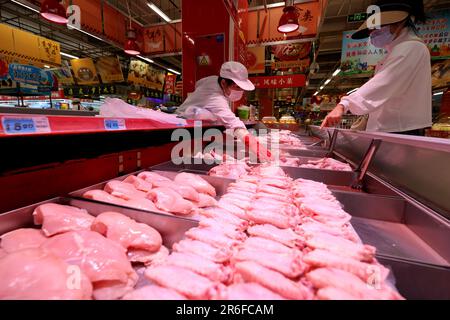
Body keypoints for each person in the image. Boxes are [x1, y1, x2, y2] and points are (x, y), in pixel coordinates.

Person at [321, 0, 432, 136]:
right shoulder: (400, 49)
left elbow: (383, 84)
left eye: (376, 27)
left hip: (400, 130)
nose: (372, 33)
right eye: (370, 29)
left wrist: (344, 104)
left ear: (399, 23)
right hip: (392, 128)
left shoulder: (410, 48)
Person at [177, 61, 272, 161]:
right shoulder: (215, 97)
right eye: (237, 87)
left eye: (242, 88)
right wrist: (252, 143)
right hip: (182, 127)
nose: (240, 92)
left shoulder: (214, 80)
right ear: (223, 83)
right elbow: (232, 122)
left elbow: (198, 83)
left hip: (195, 125)